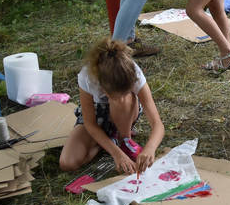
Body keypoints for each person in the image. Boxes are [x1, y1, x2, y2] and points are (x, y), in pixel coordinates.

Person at [60, 38, 165, 173]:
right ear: (103, 89)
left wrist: (150, 148)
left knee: (121, 101)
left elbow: (157, 124)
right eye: (114, 94)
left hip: (126, 111)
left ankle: (124, 140)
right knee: (68, 163)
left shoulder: (133, 72)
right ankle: (110, 142)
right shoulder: (87, 77)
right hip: (98, 114)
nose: (119, 96)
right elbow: (90, 124)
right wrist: (116, 154)